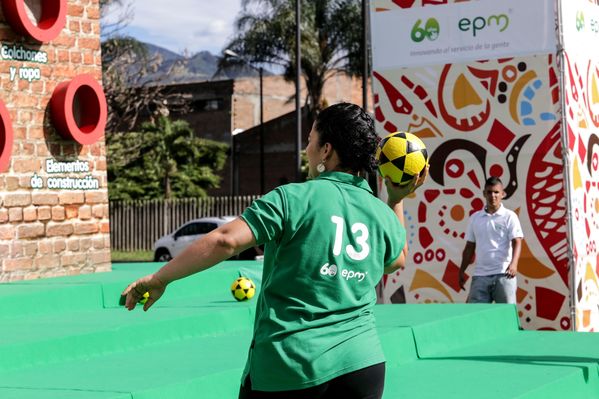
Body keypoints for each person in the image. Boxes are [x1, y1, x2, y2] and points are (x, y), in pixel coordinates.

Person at [122, 103, 427, 399]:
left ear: (326, 150)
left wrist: (161, 278)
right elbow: (395, 260)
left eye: (310, 141)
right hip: (363, 365)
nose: (305, 149)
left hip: (291, 364)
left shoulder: (293, 198)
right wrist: (396, 200)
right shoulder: (380, 211)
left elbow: (225, 241)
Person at [458, 176, 523, 304]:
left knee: (506, 317)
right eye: (489, 192)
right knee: (475, 316)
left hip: (504, 274)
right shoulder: (475, 218)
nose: (493, 196)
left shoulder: (510, 216)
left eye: (496, 192)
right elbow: (469, 247)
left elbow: (517, 241)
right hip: (480, 275)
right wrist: (462, 270)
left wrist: (514, 264)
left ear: (502, 194)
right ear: (484, 194)